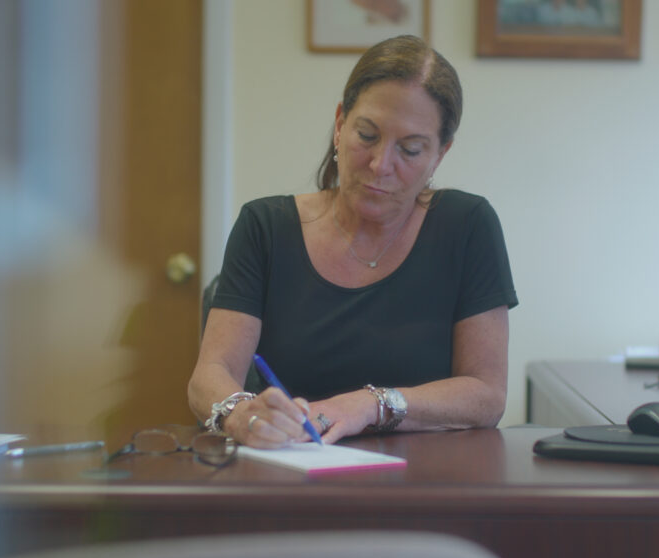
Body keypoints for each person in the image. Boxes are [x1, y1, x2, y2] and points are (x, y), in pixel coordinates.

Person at [187, 35, 518, 449]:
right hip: (297, 470)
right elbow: (210, 373)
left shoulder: (467, 226)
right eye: (366, 135)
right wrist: (240, 413)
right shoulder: (265, 227)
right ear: (340, 124)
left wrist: (371, 405)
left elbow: (487, 395)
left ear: (440, 154)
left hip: (428, 487)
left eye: (411, 149)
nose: (381, 165)